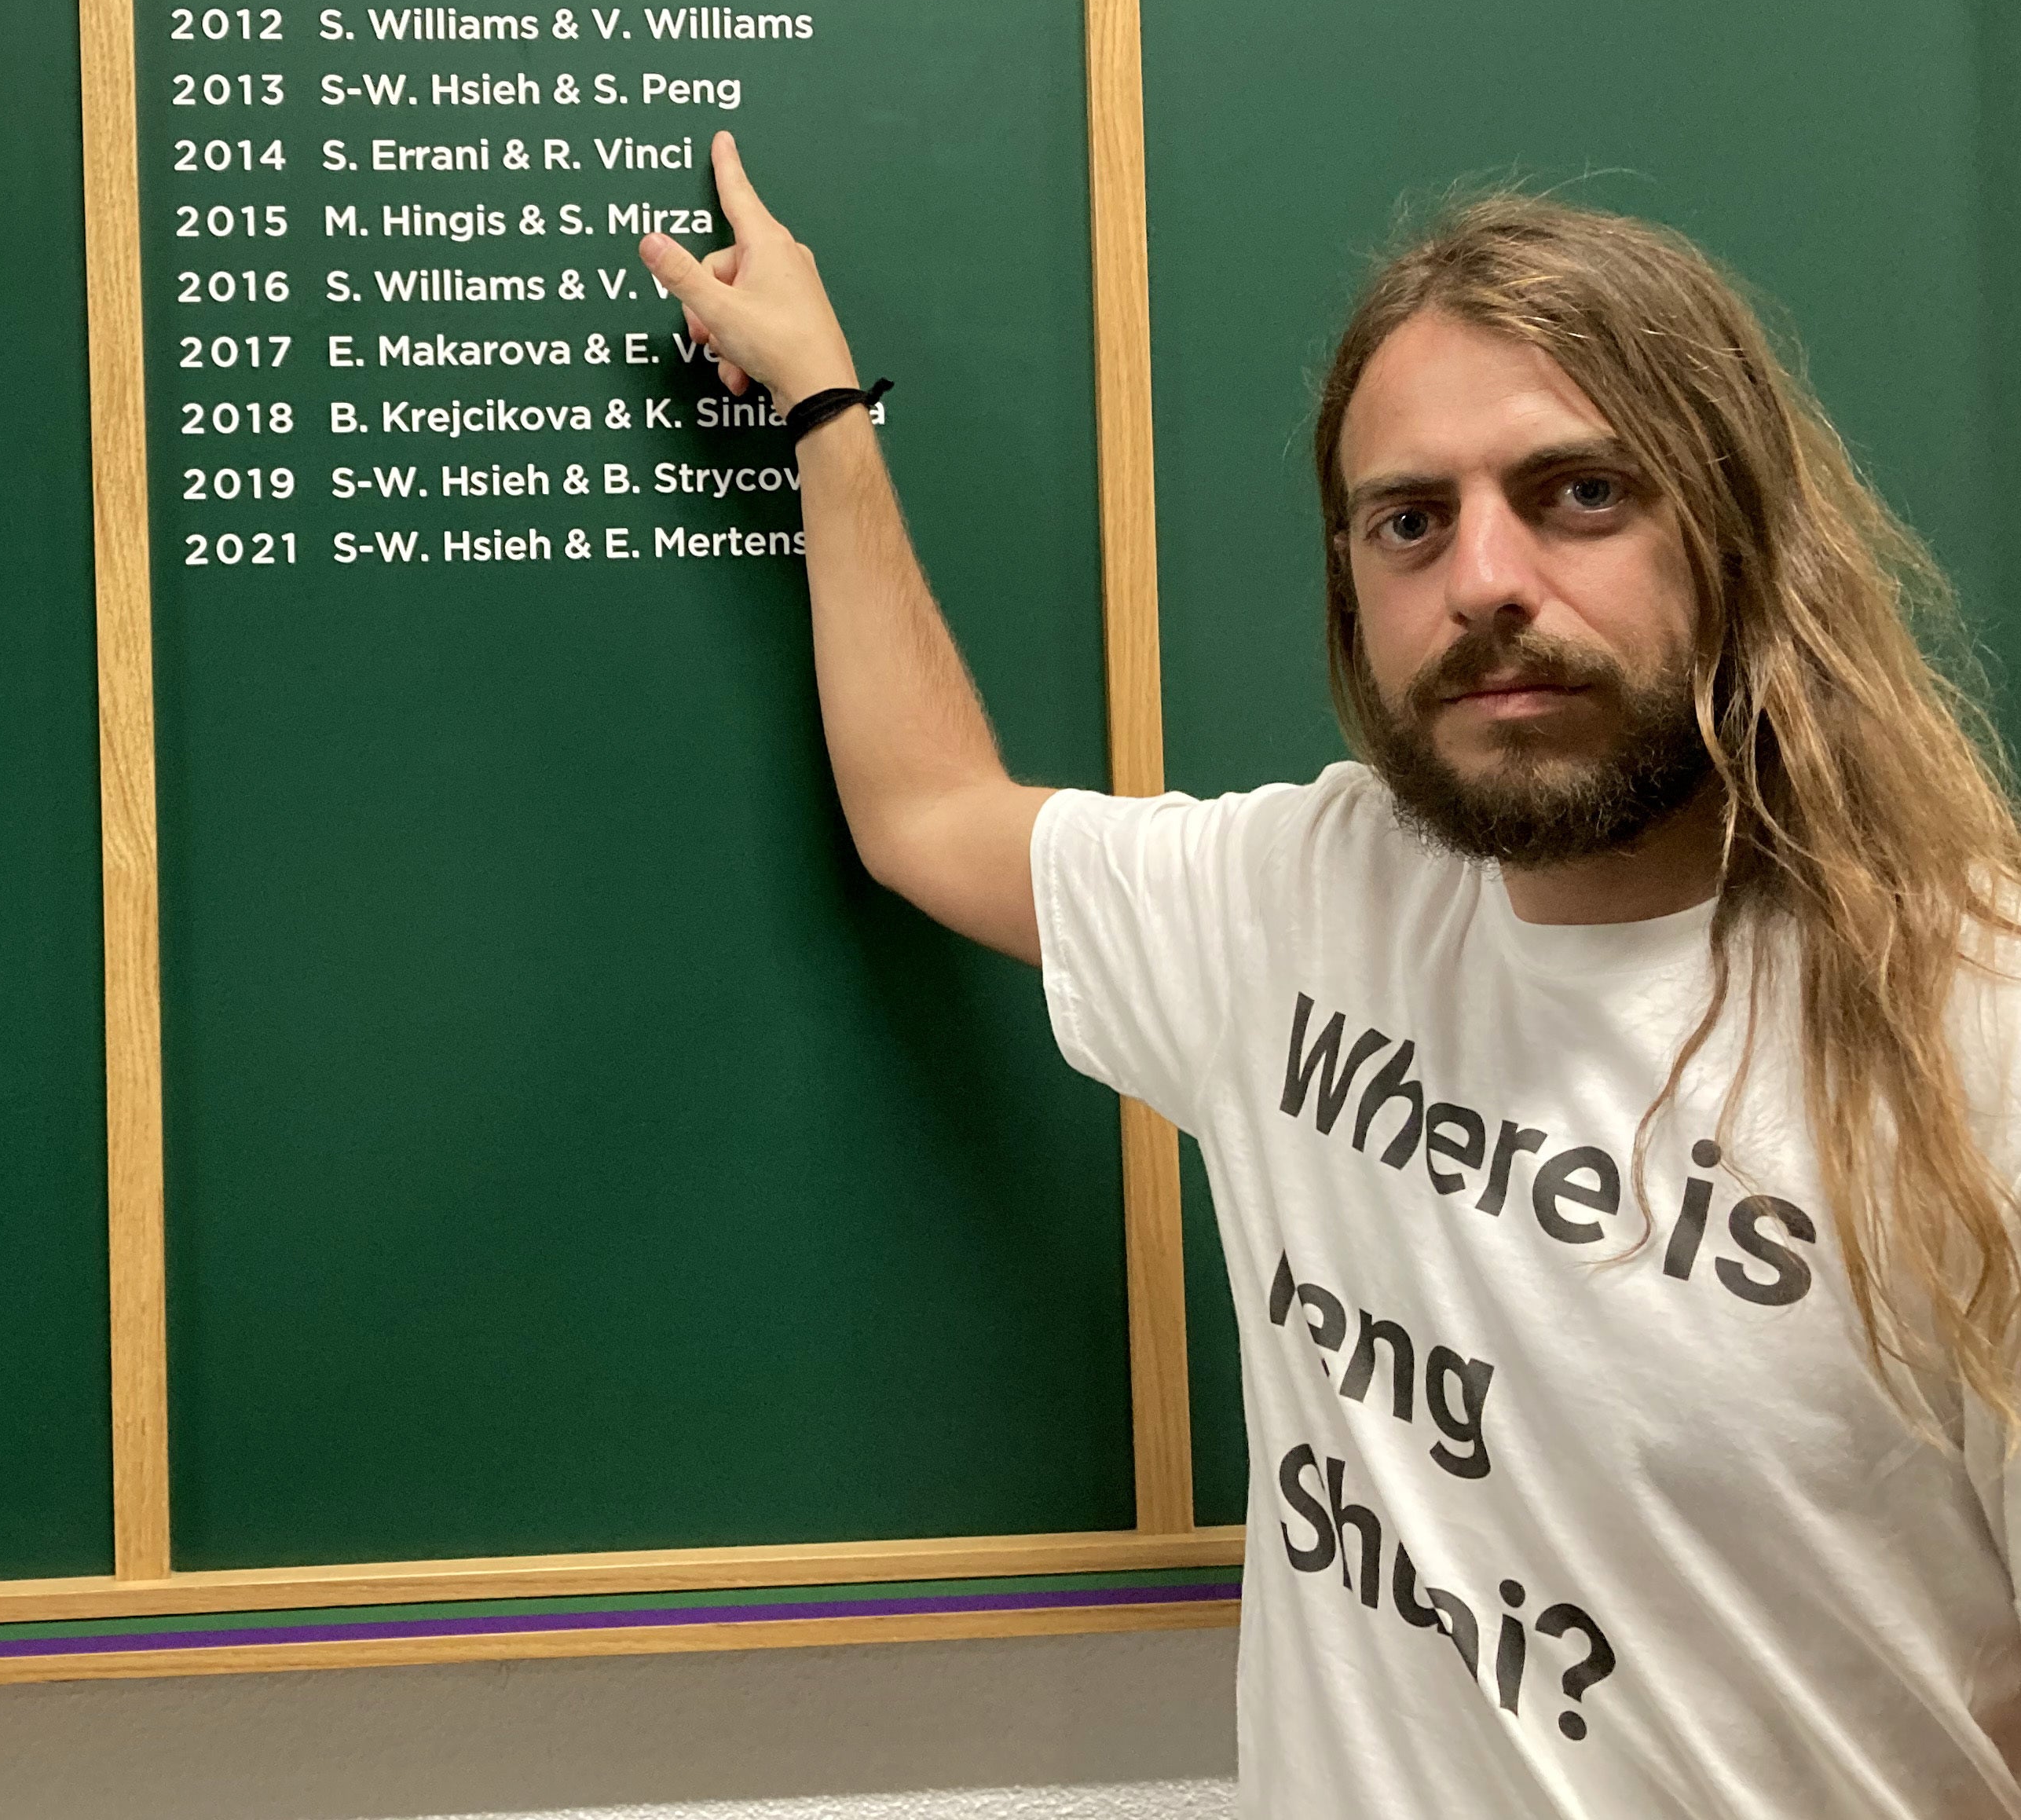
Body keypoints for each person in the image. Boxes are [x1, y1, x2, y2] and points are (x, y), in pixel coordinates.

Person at [639, 135, 2021, 1816]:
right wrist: (820, 409)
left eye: (1579, 492)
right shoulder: (1314, 900)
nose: (1486, 584)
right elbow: (929, 815)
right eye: (1408, 522)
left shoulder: (1972, 1030)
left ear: (1734, 533)